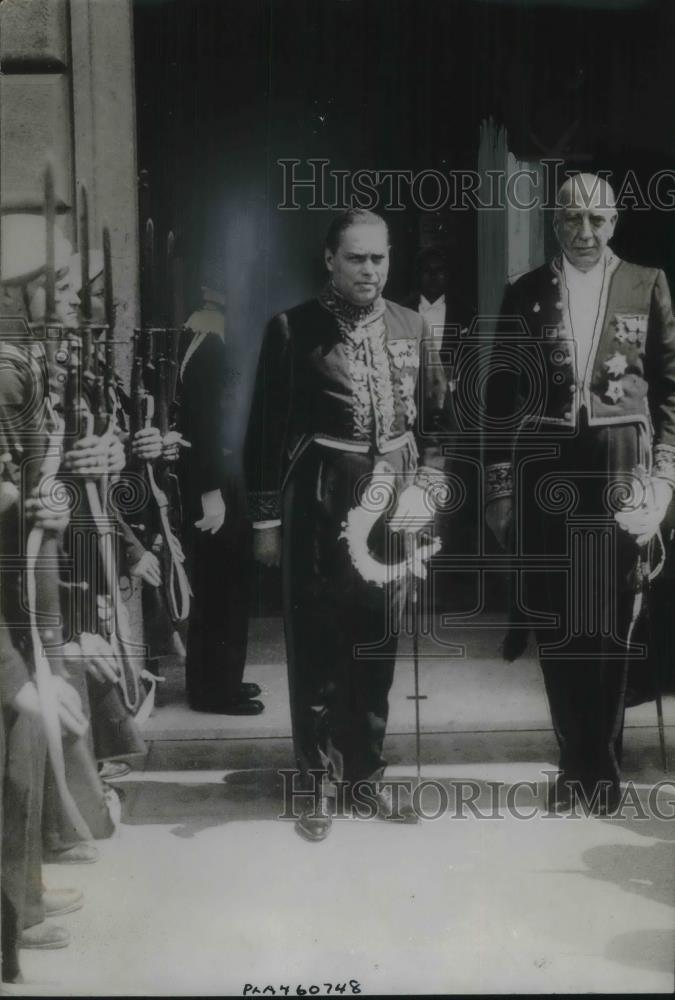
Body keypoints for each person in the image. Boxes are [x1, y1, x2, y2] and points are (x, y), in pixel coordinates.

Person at [246, 209, 449, 841]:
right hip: (320, 505)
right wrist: (265, 522)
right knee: (317, 646)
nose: (369, 270)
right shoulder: (293, 328)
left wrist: (427, 491)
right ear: (330, 261)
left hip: (392, 507)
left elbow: (436, 429)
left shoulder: (412, 326)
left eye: (379, 258)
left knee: (377, 644)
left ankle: (365, 778)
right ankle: (313, 783)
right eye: (356, 258)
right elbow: (265, 435)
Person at [484, 173, 675, 814]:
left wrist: (666, 474)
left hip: (622, 467)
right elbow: (501, 400)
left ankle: (606, 765)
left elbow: (670, 391)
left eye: (596, 219)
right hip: (546, 474)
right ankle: (573, 763)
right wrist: (501, 491)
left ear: (615, 220)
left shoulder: (648, 284)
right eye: (571, 219)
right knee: (559, 618)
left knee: (615, 618)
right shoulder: (525, 293)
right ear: (553, 223)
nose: (584, 232)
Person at [176, 270, 262, 715]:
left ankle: (218, 679)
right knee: (224, 587)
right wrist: (213, 491)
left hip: (214, 475)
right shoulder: (211, 348)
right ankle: (216, 690)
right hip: (216, 480)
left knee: (218, 586)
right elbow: (207, 425)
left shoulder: (196, 342)